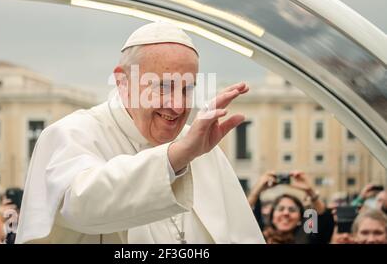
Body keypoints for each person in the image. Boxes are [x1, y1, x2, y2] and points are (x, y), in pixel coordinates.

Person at [16, 21, 264, 244]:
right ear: (122, 81)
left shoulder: (202, 149)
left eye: (187, 89)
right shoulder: (72, 134)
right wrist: (174, 158)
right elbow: (80, 205)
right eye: (163, 87)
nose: (178, 106)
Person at [247, 171, 334, 244]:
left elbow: (325, 219)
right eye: (280, 209)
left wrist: (310, 191)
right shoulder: (258, 238)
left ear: (300, 218)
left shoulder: (309, 239)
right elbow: (241, 220)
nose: (286, 213)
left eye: (292, 210)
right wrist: (256, 191)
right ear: (272, 216)